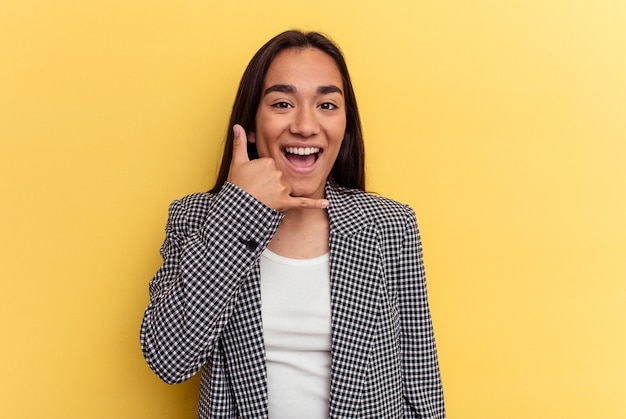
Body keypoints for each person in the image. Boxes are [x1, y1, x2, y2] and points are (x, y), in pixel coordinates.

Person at [140, 30, 445, 418]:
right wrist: (238, 210)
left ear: (345, 126)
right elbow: (170, 360)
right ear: (249, 125)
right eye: (283, 103)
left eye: (327, 105)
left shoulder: (390, 226)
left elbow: (421, 383)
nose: (305, 125)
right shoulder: (198, 219)